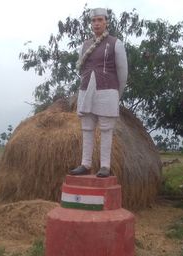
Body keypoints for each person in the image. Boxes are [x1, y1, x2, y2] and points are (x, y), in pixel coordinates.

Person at [69, 8, 128, 178]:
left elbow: (123, 72)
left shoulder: (116, 43)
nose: (96, 23)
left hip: (108, 91)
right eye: (94, 21)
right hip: (87, 89)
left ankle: (105, 166)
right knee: (86, 128)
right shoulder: (85, 44)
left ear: (106, 22)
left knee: (106, 129)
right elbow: (82, 70)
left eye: (100, 20)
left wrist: (117, 93)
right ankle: (85, 164)